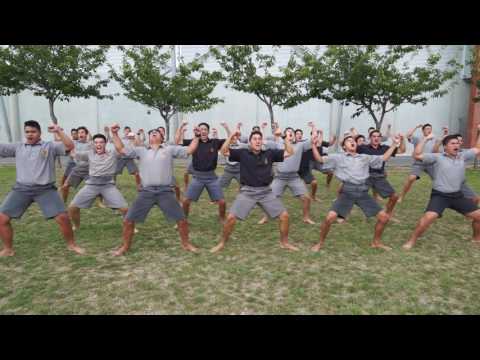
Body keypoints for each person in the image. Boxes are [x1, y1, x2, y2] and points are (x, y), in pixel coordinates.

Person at [109, 124, 200, 256]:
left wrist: (197, 136)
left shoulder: (169, 149)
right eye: (151, 132)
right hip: (146, 192)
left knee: (181, 219)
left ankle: (186, 244)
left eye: (157, 132)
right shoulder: (141, 150)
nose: (153, 133)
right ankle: (125, 246)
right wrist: (115, 134)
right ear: (149, 137)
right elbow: (122, 149)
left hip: (165, 192)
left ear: (162, 138)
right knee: (128, 220)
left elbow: (190, 150)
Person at [0, 121, 85, 257]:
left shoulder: (50, 146)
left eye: (33, 132)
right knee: (2, 218)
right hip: (21, 189)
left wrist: (58, 130)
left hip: (45, 189)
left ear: (39, 133)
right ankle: (8, 249)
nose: (29, 134)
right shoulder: (18, 147)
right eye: (27, 132)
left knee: (63, 217)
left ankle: (71, 245)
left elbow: (69, 146)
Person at [310, 130, 402, 251]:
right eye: (348, 141)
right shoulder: (338, 157)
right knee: (329, 218)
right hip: (347, 192)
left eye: (353, 140)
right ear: (344, 146)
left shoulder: (364, 157)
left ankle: (376, 242)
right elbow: (320, 159)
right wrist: (313, 145)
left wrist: (395, 144)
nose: (352, 141)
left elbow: (383, 157)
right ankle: (320, 243)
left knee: (384, 218)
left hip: (362, 192)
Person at [210, 128, 298, 253]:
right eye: (254, 139)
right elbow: (223, 151)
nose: (257, 141)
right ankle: (222, 243)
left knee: (285, 216)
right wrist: (231, 136)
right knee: (230, 218)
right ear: (250, 142)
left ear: (262, 142)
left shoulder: (269, 153)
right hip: (247, 191)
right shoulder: (243, 153)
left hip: (265, 191)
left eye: (259, 139)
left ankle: (284, 242)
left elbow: (290, 151)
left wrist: (284, 137)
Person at [403, 130, 480, 249]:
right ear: (445, 147)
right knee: (429, 217)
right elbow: (416, 155)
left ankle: (476, 238)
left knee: (478, 216)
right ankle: (412, 240)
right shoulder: (437, 157)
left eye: (457, 143)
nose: (456, 145)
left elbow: (477, 149)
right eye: (453, 143)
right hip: (440, 195)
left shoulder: (462, 156)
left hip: (457, 195)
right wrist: (425, 139)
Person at [67, 133, 130, 235]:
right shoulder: (89, 153)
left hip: (108, 185)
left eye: (101, 142)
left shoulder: (112, 153)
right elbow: (72, 152)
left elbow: (121, 148)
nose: (98, 144)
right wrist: (69, 143)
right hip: (92, 185)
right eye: (96, 142)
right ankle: (76, 226)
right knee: (72, 208)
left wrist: (115, 133)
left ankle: (130, 226)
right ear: (93, 144)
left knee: (125, 209)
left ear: (105, 143)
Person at [258, 126, 315, 225]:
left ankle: (306, 217)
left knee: (306, 198)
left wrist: (313, 127)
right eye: (288, 132)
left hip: (294, 177)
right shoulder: (278, 144)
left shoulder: (301, 145)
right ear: (284, 135)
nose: (290, 133)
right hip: (280, 177)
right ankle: (266, 217)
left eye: (292, 132)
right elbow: (263, 141)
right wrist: (264, 129)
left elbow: (314, 139)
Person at [181, 122, 230, 223]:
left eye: (205, 129)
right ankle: (184, 219)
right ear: (198, 131)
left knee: (222, 202)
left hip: (212, 177)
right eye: (201, 129)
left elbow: (231, 140)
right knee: (186, 201)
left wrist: (226, 128)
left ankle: (222, 218)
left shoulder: (214, 142)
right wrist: (182, 127)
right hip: (197, 177)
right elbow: (177, 141)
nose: (203, 131)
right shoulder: (194, 142)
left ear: (208, 132)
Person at [357, 129, 406, 218]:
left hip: (379, 176)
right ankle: (342, 214)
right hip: (365, 176)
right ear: (370, 138)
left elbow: (402, 150)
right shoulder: (363, 148)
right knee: (353, 195)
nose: (376, 138)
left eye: (378, 136)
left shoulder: (385, 148)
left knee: (394, 197)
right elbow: (350, 151)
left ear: (380, 138)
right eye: (374, 136)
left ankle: (387, 213)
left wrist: (402, 140)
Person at [398, 123, 436, 203]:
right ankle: (401, 196)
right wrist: (416, 127)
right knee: (411, 178)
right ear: (423, 131)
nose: (429, 130)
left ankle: (440, 198)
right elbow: (407, 135)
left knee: (438, 180)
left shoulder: (433, 139)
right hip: (419, 162)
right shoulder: (418, 138)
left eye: (430, 129)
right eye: (427, 129)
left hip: (430, 162)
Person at [60, 126, 92, 203]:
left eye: (82, 132)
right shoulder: (73, 143)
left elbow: (90, 155)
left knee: (97, 185)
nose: (80, 134)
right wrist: (59, 132)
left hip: (89, 170)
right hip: (77, 169)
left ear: (86, 134)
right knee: (65, 186)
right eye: (79, 133)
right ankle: (63, 202)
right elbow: (64, 142)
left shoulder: (91, 144)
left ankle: (100, 201)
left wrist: (76, 155)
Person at [114, 126, 142, 191]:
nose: (127, 132)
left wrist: (138, 134)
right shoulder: (121, 139)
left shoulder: (133, 139)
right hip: (121, 158)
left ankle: (139, 186)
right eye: (126, 131)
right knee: (114, 173)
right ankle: (113, 186)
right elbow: (117, 146)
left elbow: (139, 143)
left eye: (128, 131)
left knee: (137, 173)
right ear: (124, 131)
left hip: (129, 159)